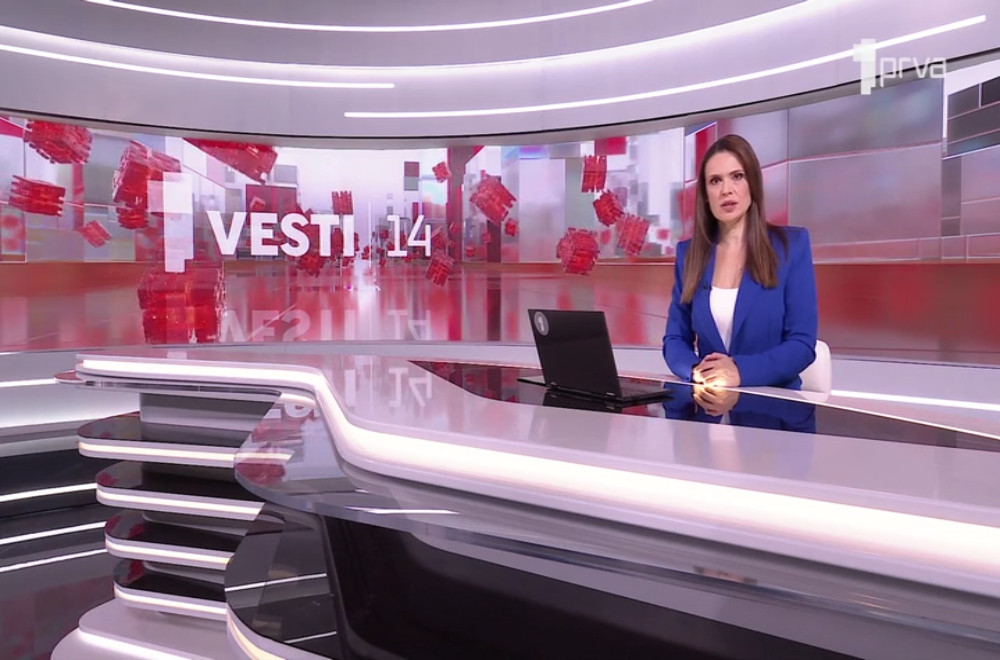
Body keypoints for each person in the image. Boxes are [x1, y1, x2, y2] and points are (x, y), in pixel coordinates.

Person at [662, 134, 818, 392]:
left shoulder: (791, 246)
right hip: (708, 402)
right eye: (715, 181)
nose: (727, 190)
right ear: (706, 195)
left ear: (752, 183)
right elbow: (675, 338)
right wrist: (695, 370)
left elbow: (802, 344)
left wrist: (740, 371)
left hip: (774, 405)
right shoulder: (689, 255)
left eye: (737, 176)